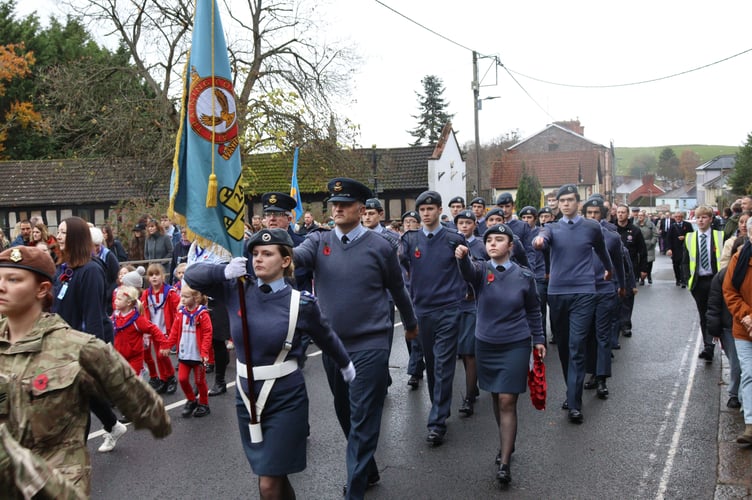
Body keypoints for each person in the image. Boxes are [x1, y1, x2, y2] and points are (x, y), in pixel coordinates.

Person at [185, 228, 354, 500]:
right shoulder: (236, 289)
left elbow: (327, 337)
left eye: (267, 253)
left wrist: (345, 365)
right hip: (246, 396)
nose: (258, 259)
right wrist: (223, 271)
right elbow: (192, 275)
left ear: (286, 261)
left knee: (267, 483)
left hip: (286, 398)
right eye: (254, 254)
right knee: (272, 473)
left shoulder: (301, 303)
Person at [0, 246, 171, 498]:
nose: (2, 286)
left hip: (57, 484)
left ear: (42, 289)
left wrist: (153, 419)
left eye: (13, 279)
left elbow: (149, 410)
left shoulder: (78, 349)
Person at [293, 178, 417, 498]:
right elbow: (294, 260)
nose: (337, 209)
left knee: (363, 416)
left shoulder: (381, 246)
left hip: (371, 343)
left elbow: (397, 289)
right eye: (334, 204)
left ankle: (356, 490)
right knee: (344, 411)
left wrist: (412, 323)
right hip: (334, 346)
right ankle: (368, 467)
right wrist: (265, 255)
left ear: (361, 209)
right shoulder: (318, 241)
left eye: (344, 204)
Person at [455, 223, 545, 485]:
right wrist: (462, 258)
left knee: (507, 400)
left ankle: (504, 462)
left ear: (511, 246)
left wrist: (538, 339)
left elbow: (533, 311)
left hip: (515, 344)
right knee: (496, 395)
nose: (493, 243)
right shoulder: (481, 271)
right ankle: (507, 440)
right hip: (486, 344)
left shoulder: (525, 276)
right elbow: (467, 272)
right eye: (489, 240)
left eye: (499, 239)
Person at [532, 184, 612, 424]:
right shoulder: (550, 228)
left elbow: (602, 251)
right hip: (557, 294)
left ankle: (575, 404)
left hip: (584, 293)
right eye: (562, 200)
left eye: (570, 200)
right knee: (565, 347)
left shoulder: (591, 227)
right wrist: (538, 240)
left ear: (578, 202)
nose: (565, 204)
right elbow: (543, 239)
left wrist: (609, 269)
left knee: (577, 346)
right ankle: (572, 390)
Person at [52, 217, 126, 452]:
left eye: (64, 232)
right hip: (64, 341)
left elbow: (94, 316)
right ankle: (113, 425)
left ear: (76, 236)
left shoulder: (91, 270)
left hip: (83, 342)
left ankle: (74, 455)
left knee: (76, 400)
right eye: (59, 231)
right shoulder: (65, 269)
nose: (59, 235)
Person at [401, 190, 466, 445]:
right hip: (422, 309)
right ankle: (440, 406)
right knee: (430, 361)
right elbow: (403, 268)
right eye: (422, 210)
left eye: (430, 209)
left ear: (440, 210)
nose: (426, 214)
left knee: (443, 363)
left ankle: (437, 421)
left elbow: (467, 269)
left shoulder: (454, 238)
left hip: (449, 308)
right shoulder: (409, 239)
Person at [160, 283, 213, 418]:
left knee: (200, 381)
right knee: (183, 379)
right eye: (181, 296)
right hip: (185, 354)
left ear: (195, 298)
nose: (182, 299)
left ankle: (204, 404)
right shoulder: (181, 314)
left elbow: (207, 333)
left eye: (185, 297)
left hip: (198, 356)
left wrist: (204, 352)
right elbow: (174, 331)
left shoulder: (202, 314)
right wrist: (167, 345)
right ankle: (191, 399)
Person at [722, 217, 752, 443]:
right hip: (744, 328)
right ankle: (750, 425)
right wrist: (747, 316)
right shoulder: (739, 258)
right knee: (749, 374)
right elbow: (730, 291)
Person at [453, 209, 485, 416]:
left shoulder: (480, 245)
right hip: (454, 302)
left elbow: (484, 270)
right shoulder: (452, 243)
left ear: (475, 224)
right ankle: (473, 387)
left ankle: (469, 397)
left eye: (468, 223)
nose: (464, 226)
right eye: (460, 223)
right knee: (463, 351)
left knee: (468, 351)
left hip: (473, 303)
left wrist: (472, 291)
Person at [682, 206, 725, 362]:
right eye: (698, 217)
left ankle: (710, 346)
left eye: (704, 217)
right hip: (699, 282)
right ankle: (708, 345)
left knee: (714, 315)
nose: (700, 220)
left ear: (711, 219)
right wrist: (688, 280)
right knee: (703, 315)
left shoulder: (720, 236)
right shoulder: (690, 238)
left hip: (716, 281)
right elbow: (685, 262)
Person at [707, 239, 743, 409]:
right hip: (729, 327)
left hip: (744, 325)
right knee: (736, 363)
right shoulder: (723, 275)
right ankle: (734, 394)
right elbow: (714, 305)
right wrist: (715, 329)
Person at [140, 263, 179, 394]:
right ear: (148, 278)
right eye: (151, 275)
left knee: (161, 355)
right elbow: (141, 310)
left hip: (166, 330)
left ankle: (171, 377)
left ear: (163, 276)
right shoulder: (146, 294)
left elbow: (178, 307)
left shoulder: (170, 292)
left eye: (157, 274)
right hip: (153, 330)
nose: (154, 277)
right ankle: (164, 379)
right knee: (158, 356)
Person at [112, 285, 165, 377]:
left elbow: (153, 329)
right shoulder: (115, 316)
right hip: (118, 356)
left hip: (134, 358)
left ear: (128, 303)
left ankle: (142, 374)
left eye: (119, 299)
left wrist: (165, 344)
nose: (115, 301)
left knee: (132, 382)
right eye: (116, 298)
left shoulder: (137, 320)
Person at [666, 211, 694, 287]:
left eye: (680, 217)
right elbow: (668, 238)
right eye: (676, 217)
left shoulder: (687, 225)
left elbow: (692, 235)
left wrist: (685, 237)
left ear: (682, 217)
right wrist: (669, 249)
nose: (678, 218)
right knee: (676, 265)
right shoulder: (672, 226)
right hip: (675, 249)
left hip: (685, 249)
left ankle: (683, 280)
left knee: (683, 264)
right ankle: (678, 279)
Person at [636, 210, 659, 284]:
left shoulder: (650, 224)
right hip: (639, 246)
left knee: (649, 263)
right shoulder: (635, 225)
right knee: (640, 262)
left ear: (644, 216)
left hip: (649, 246)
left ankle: (649, 276)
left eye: (641, 215)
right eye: (638, 215)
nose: (640, 217)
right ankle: (641, 278)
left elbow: (655, 234)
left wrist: (652, 242)